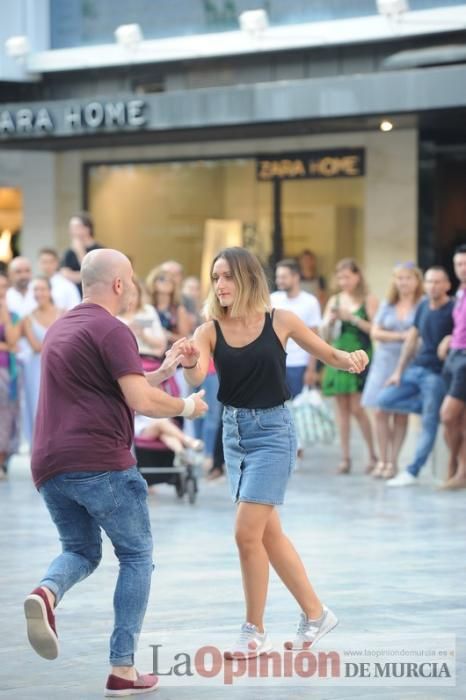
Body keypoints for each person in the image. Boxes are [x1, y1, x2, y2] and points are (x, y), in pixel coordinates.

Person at [24, 249, 207, 696]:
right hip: (100, 461)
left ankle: (47, 592)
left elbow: (123, 388)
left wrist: (165, 369)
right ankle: (123, 669)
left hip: (50, 464)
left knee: (82, 551)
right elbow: (140, 403)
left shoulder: (61, 328)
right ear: (120, 285)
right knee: (136, 555)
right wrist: (187, 405)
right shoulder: (113, 329)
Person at [180, 247, 368, 657]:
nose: (220, 284)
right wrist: (190, 361)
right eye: (215, 277)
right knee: (269, 533)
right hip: (235, 436)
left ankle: (253, 629)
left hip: (274, 433)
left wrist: (353, 359)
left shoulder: (280, 320)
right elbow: (196, 374)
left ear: (247, 278)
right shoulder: (209, 330)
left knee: (246, 532)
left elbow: (329, 354)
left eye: (227, 276)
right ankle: (316, 614)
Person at [377, 267, 454, 487]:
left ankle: (412, 471)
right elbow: (412, 338)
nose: (433, 286)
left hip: (436, 375)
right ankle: (433, 408)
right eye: (430, 282)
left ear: (447, 285)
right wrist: (398, 371)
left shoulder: (454, 308)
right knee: (384, 400)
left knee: (428, 425)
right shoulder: (422, 306)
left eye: (438, 282)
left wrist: (448, 338)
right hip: (415, 370)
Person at [362, 263, 424, 479]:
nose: (403, 282)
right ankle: (383, 458)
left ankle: (393, 461)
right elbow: (375, 332)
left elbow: (423, 334)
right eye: (399, 278)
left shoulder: (422, 304)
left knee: (400, 413)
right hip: (384, 361)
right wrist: (401, 336)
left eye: (407, 278)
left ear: (417, 280)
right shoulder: (388, 304)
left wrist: (410, 338)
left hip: (409, 363)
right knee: (380, 411)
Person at [320, 258, 379, 474]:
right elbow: (323, 332)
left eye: (347, 276)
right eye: (340, 277)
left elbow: (374, 328)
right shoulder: (335, 300)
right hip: (338, 354)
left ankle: (372, 453)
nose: (343, 281)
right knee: (341, 410)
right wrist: (331, 322)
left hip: (360, 353)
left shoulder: (368, 299)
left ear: (357, 276)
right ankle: (345, 457)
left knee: (358, 408)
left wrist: (351, 318)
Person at [271, 258, 322, 398]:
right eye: (277, 277)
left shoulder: (310, 302)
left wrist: (311, 370)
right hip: (275, 365)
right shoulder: (272, 300)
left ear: (296, 277)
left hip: (300, 365)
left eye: (283, 277)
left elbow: (314, 338)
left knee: (298, 413)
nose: (279, 281)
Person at [438, 245, 466, 490]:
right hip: (454, 356)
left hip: (464, 360)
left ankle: (458, 468)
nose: (462, 268)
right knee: (456, 419)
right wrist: (448, 339)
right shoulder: (460, 292)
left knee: (448, 415)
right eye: (458, 264)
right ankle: (458, 467)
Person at [22, 277, 63, 442]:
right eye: (36, 290)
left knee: (60, 406)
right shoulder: (28, 318)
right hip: (36, 368)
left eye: (42, 289)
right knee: (38, 406)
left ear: (50, 291)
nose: (39, 293)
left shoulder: (64, 313)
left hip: (61, 366)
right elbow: (35, 346)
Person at [0, 271, 21, 478]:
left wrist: (5, 315)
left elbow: (13, 341)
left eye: (4, 287)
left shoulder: (13, 315)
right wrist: (5, 346)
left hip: (8, 372)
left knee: (7, 417)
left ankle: (2, 461)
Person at [118, 278, 167, 359]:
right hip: (124, 358)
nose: (130, 299)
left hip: (148, 357)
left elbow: (161, 344)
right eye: (126, 294)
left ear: (139, 295)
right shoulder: (114, 315)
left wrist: (143, 335)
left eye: (133, 294)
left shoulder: (148, 310)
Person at [145, 265, 191, 344]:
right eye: (162, 279)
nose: (166, 282)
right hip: (150, 349)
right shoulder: (147, 308)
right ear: (153, 282)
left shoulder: (179, 310)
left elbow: (185, 339)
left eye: (170, 280)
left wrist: (168, 335)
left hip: (170, 351)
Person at [60, 212, 102, 295]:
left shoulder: (99, 250)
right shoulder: (70, 252)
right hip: (74, 295)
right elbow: (65, 274)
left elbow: (95, 275)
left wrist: (80, 252)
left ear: (87, 229)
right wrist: (84, 277)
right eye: (71, 228)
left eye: (76, 227)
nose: (72, 231)